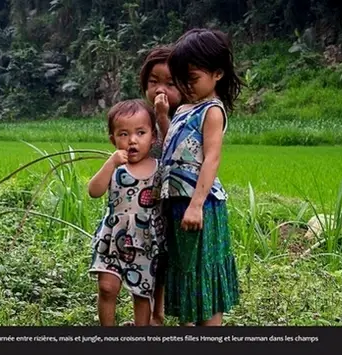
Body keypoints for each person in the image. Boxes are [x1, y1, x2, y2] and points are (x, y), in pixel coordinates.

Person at [158, 28, 242, 326]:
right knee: (186, 273)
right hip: (178, 205)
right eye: (182, 80)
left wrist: (196, 204)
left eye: (192, 79)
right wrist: (161, 118)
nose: (186, 86)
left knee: (203, 274)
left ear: (217, 73)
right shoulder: (184, 108)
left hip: (201, 206)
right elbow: (176, 146)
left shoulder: (213, 111)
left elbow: (211, 158)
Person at [115, 45, 184, 327]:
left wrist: (162, 117)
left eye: (170, 83)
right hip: (144, 207)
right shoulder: (140, 118)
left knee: (165, 260)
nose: (160, 89)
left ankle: (160, 314)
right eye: (153, 82)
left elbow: (176, 149)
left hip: (175, 200)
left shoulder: (183, 118)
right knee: (147, 259)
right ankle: (148, 317)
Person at [88, 99, 165, 326]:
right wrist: (110, 164)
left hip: (144, 241)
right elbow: (94, 191)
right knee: (107, 287)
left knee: (141, 292)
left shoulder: (160, 169)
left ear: (153, 137)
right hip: (112, 238)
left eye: (140, 133)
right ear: (113, 140)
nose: (132, 140)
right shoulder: (115, 168)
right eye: (123, 134)